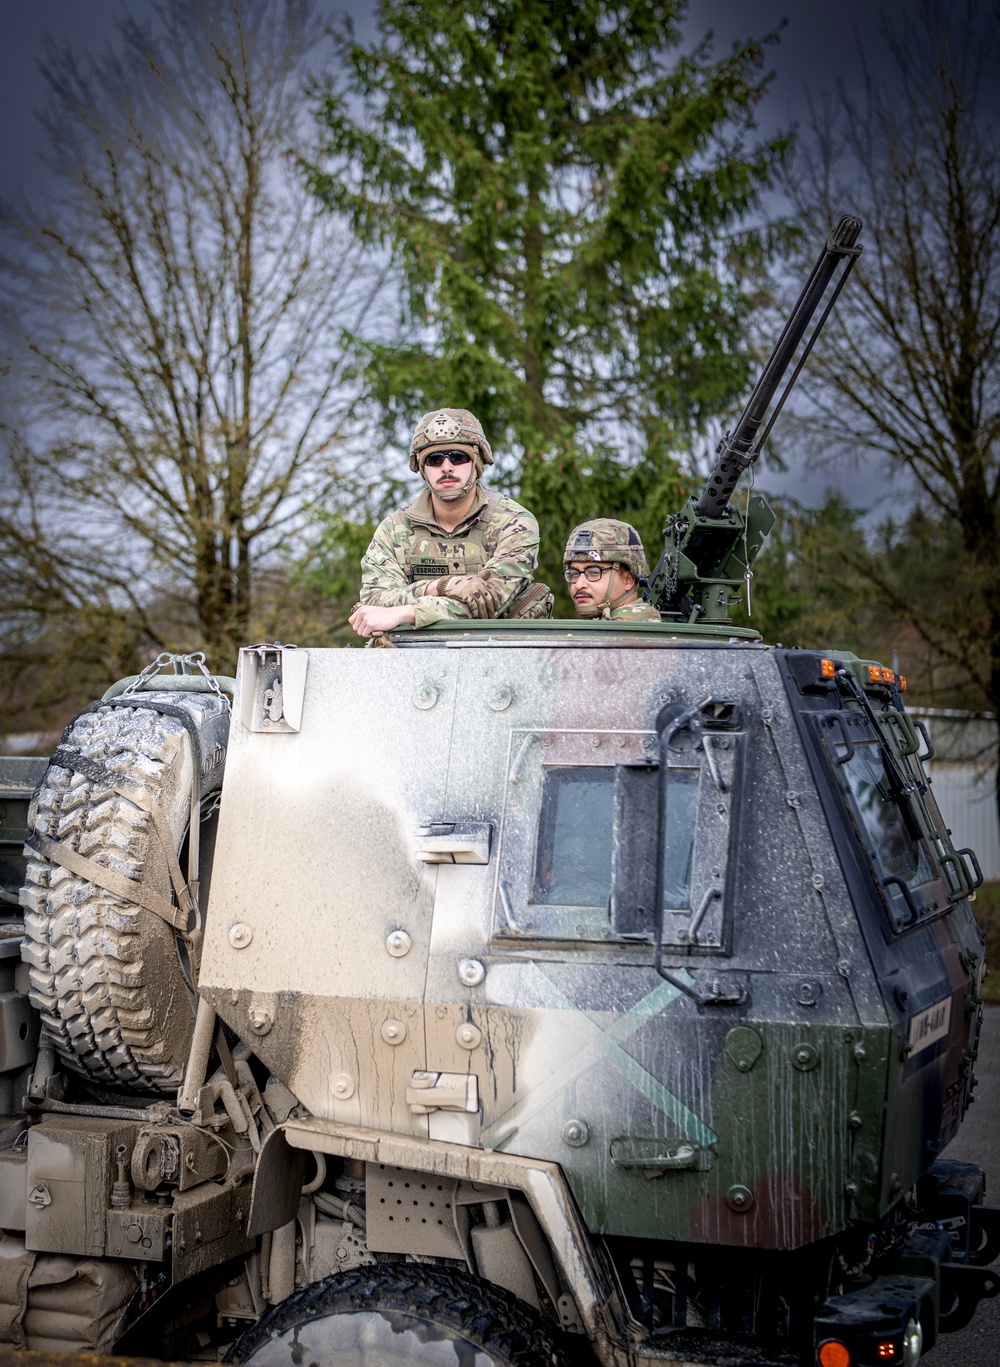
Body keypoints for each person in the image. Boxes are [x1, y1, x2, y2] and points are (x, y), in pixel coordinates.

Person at [350, 408, 549, 638]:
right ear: (422, 468)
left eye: (458, 456)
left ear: (477, 462)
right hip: (412, 657)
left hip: (500, 654)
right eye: (434, 459)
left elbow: (492, 601)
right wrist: (439, 587)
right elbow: (375, 602)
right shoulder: (394, 530)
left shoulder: (513, 523)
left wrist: (409, 612)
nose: (446, 467)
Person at [563, 519, 661, 621]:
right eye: (574, 574)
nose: (579, 585)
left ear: (628, 580)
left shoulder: (630, 630)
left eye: (594, 573)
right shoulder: (609, 626)